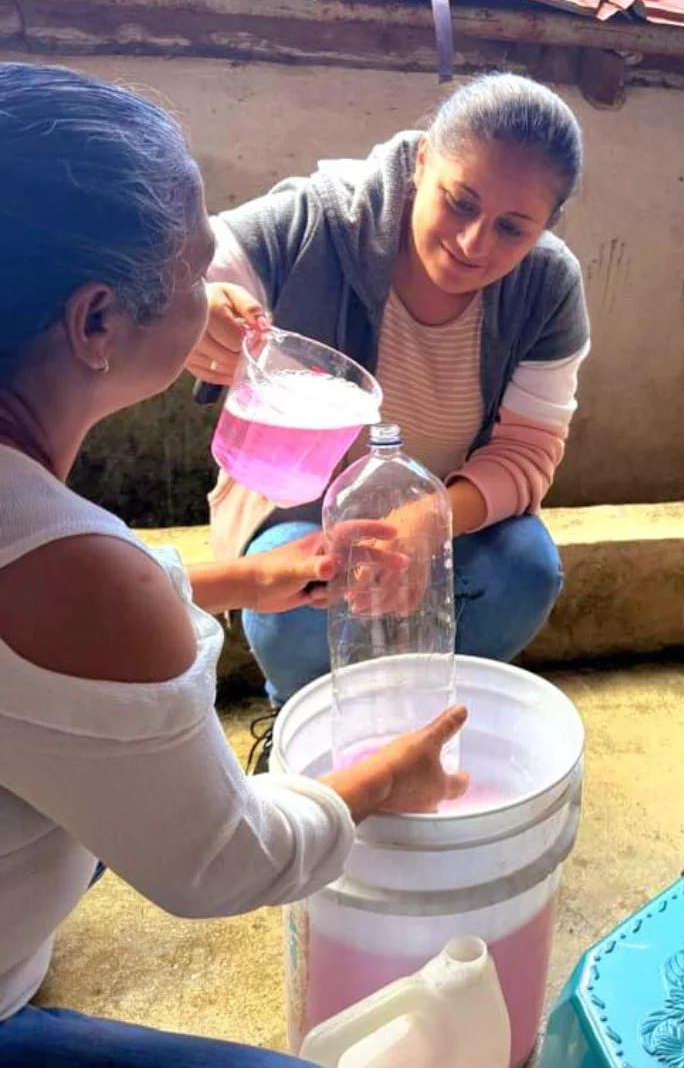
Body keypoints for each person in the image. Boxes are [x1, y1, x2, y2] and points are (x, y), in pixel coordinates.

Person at [0, 63, 469, 1066]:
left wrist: (240, 579)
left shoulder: (50, 538)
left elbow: (38, 639)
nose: (222, 292)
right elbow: (217, 864)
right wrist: (384, 779)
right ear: (95, 323)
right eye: (197, 264)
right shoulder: (78, 568)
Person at [187, 74, 589, 732]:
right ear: (423, 158)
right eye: (459, 203)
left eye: (512, 229)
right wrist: (194, 311)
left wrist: (429, 516)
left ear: (546, 227)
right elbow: (167, 269)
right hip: (303, 505)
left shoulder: (547, 286)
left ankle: (424, 725)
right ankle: (303, 720)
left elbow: (528, 449)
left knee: (524, 571)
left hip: (446, 508)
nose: (474, 244)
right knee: (295, 615)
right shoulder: (318, 221)